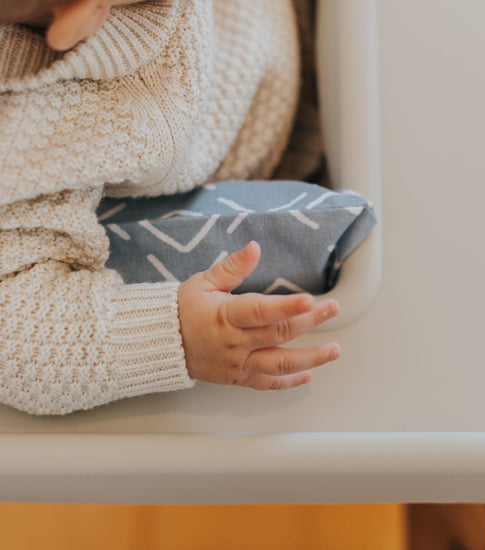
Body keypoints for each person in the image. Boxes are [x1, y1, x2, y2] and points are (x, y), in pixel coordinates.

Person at [0, 0, 341, 416]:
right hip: (279, 121)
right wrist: (179, 336)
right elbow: (16, 336)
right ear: (82, 14)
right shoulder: (26, 145)